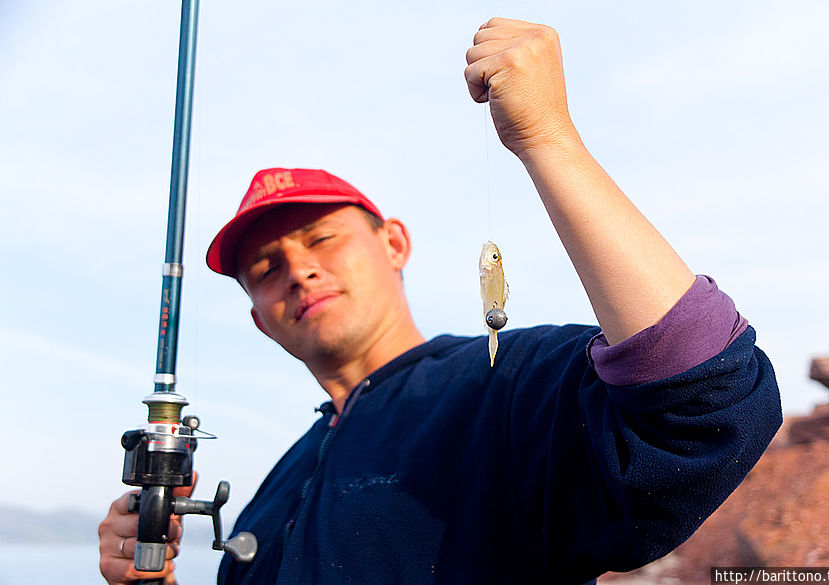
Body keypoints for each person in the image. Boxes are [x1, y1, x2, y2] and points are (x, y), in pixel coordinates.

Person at [99, 17, 781, 585]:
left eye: (321, 239)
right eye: (267, 267)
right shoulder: (269, 497)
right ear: (258, 316)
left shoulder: (510, 384)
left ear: (394, 243)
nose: (299, 272)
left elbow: (706, 402)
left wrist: (547, 139)